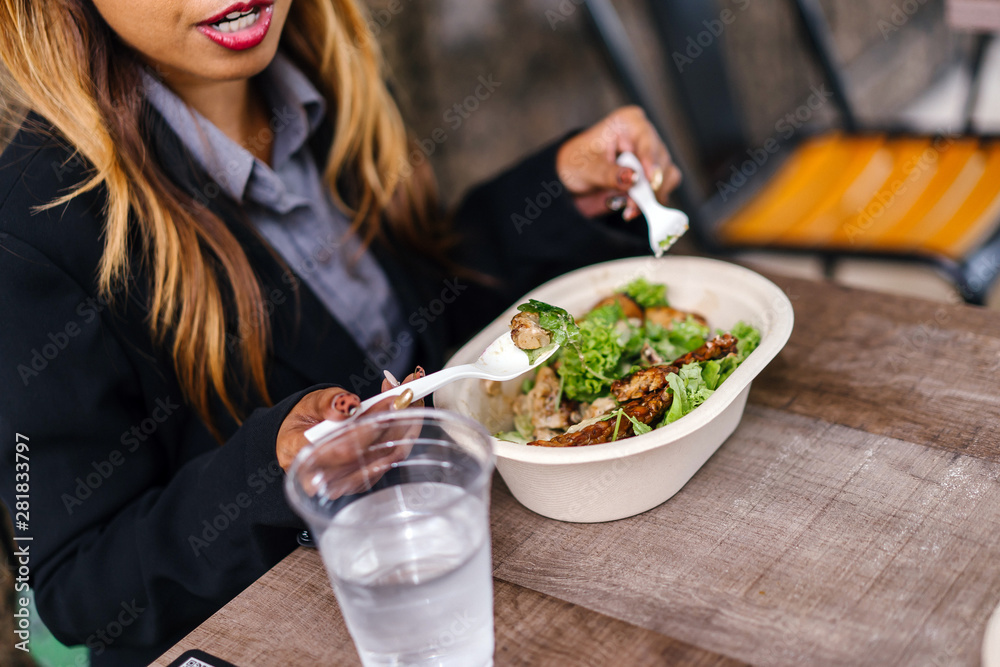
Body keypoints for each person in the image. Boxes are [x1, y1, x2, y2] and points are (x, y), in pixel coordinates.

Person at [0, 0, 681, 664]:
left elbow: (420, 330)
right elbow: (75, 589)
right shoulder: (33, 225)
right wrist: (274, 464)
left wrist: (558, 193)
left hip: (470, 559)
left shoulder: (329, 73)